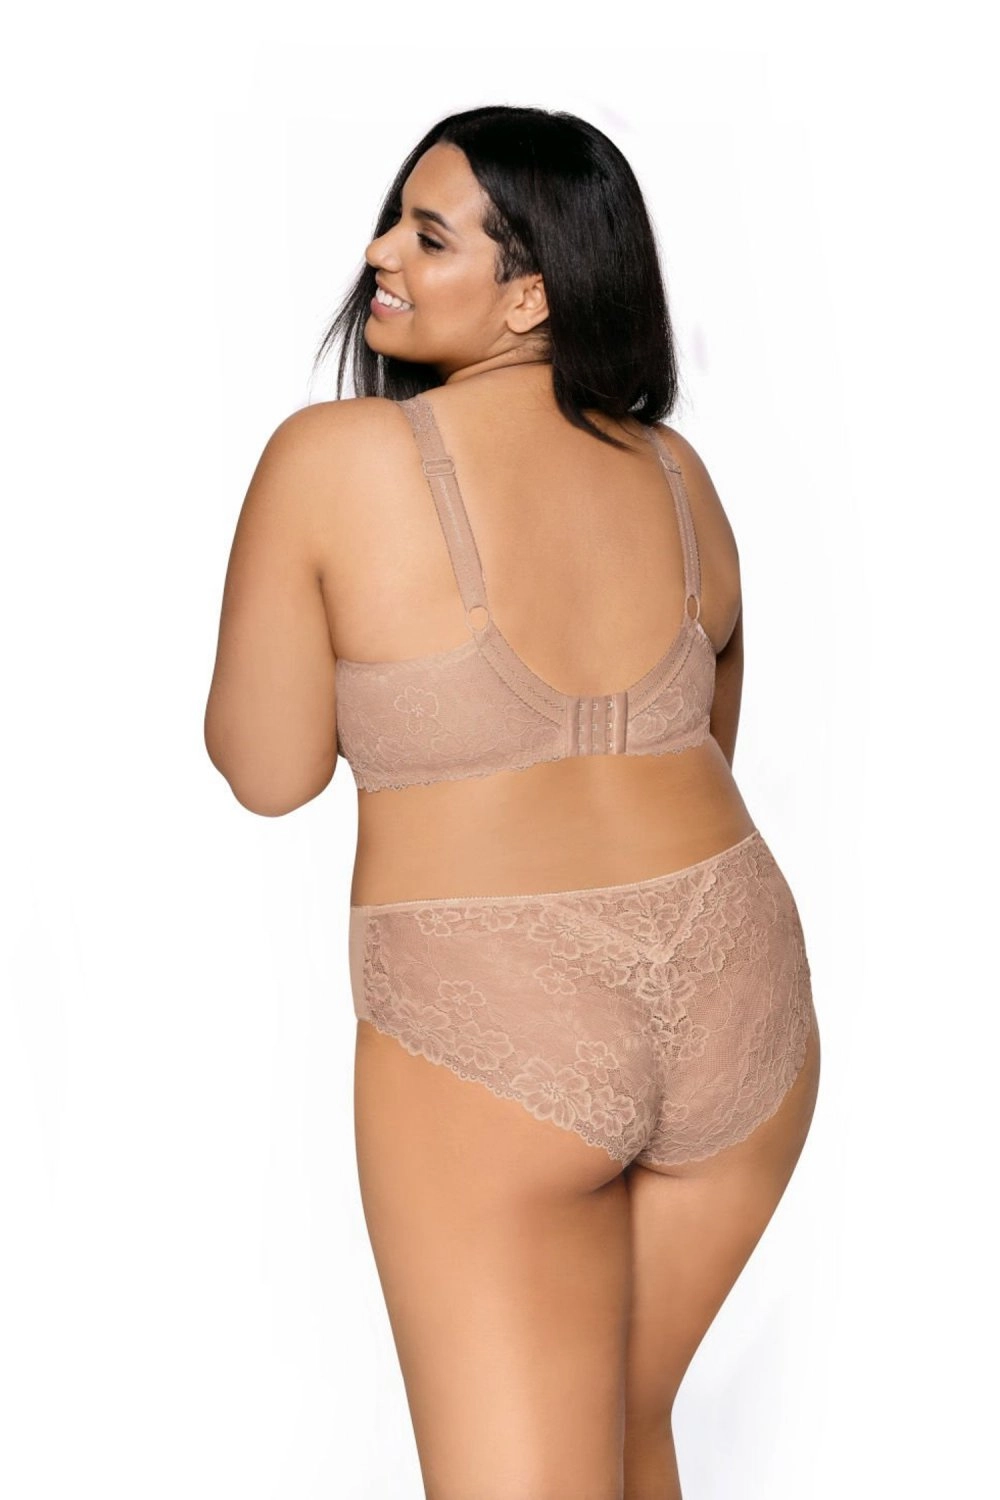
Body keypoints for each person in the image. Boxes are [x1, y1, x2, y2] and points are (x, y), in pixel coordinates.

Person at [204, 105, 821, 1500]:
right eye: (395, 221)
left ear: (532, 293)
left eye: (428, 235)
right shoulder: (674, 473)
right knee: (624, 1440)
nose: (381, 253)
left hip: (495, 1013)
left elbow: (270, 772)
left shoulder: (332, 459)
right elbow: (710, 738)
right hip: (739, 990)